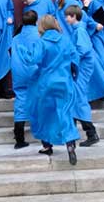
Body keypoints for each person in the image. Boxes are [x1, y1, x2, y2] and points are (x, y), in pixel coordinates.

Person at [29, 15, 80, 165]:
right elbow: (75, 58)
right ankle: (70, 144)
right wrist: (73, 74)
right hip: (64, 82)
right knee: (65, 114)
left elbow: (35, 60)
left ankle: (47, 145)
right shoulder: (65, 40)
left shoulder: (41, 42)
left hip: (46, 83)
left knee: (44, 114)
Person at [57, 0, 104, 102]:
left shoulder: (59, 3)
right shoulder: (75, 3)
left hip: (65, 40)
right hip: (78, 41)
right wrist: (91, 18)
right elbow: (83, 18)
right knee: (94, 66)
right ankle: (100, 94)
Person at [65, 5, 100, 147]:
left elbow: (82, 49)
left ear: (74, 16)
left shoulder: (79, 31)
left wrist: (73, 63)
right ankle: (74, 133)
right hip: (81, 67)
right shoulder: (79, 30)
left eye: (68, 16)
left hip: (81, 68)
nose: (65, 18)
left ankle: (91, 133)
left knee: (79, 98)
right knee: (76, 98)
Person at [10, 10, 41, 150]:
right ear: (36, 20)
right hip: (35, 72)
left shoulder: (16, 38)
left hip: (19, 73)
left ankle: (19, 138)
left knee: (21, 101)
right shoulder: (39, 35)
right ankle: (44, 136)